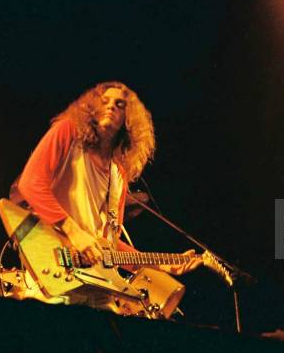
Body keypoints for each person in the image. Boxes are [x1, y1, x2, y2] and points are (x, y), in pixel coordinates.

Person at [12, 81, 201, 310]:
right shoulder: (68, 132)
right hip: (57, 269)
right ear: (91, 109)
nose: (111, 106)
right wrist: (74, 232)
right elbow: (31, 183)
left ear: (128, 119)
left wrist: (160, 265)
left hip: (98, 283)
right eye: (104, 101)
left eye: (119, 104)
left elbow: (110, 246)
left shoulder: (118, 174)